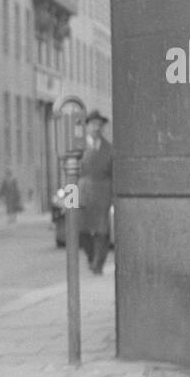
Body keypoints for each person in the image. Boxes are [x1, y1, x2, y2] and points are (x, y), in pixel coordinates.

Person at [78, 109, 114, 274]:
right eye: (93, 124)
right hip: (82, 194)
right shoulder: (78, 147)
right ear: (87, 126)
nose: (96, 128)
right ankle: (91, 256)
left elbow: (113, 174)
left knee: (101, 231)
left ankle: (98, 264)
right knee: (81, 230)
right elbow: (69, 174)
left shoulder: (109, 149)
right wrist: (70, 200)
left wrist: (113, 197)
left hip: (102, 194)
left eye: (99, 125)